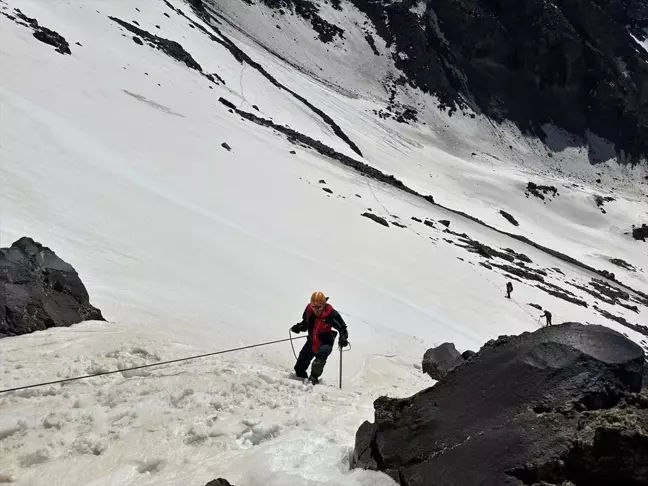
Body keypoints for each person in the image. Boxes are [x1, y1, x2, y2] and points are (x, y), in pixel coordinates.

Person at [291, 291, 349, 384]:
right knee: (299, 367)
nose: (316, 309)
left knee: (319, 361)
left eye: (318, 307)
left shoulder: (332, 315)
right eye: (313, 306)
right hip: (312, 339)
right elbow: (306, 323)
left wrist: (343, 338)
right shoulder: (309, 310)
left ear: (324, 304)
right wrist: (299, 327)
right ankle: (300, 380)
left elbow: (342, 328)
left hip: (326, 339)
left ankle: (313, 380)